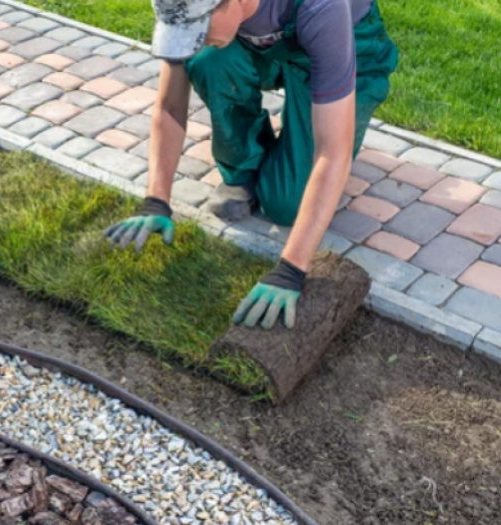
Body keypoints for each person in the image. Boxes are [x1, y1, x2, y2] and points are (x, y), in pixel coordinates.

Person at [104, 0, 398, 330]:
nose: (193, 39)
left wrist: (290, 269)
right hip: (259, 43)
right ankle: (245, 167)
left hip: (348, 40)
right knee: (207, 60)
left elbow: (333, 151)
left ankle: (298, 140)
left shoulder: (322, 6)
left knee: (287, 205)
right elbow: (170, 105)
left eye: (199, 29)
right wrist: (155, 201)